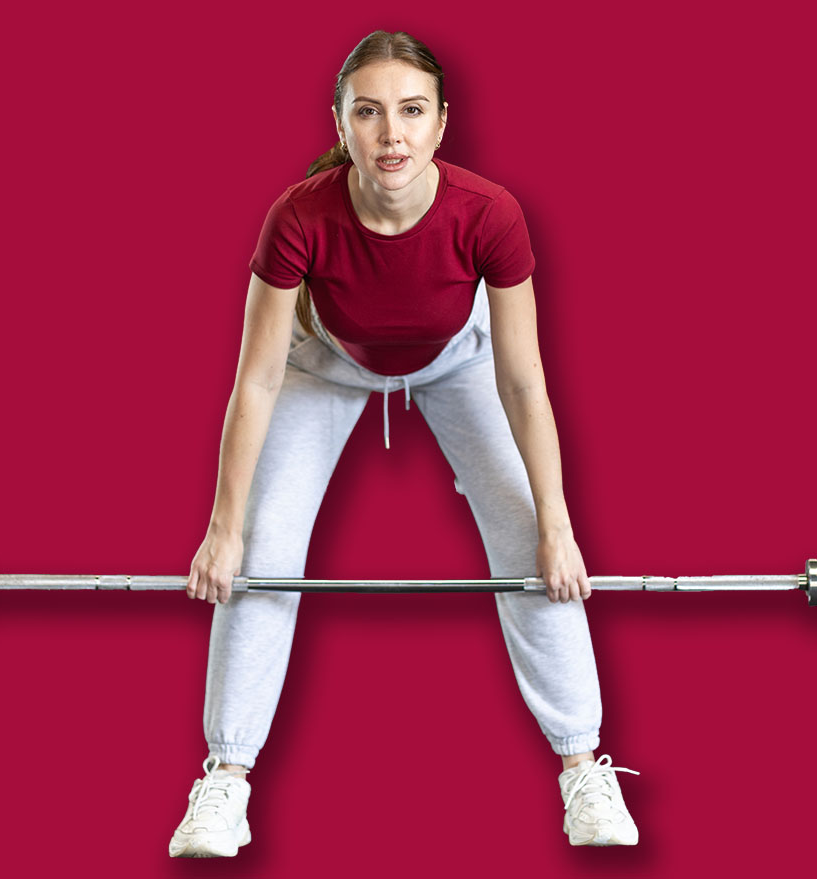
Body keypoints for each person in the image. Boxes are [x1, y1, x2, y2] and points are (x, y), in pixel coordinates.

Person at [168, 30, 639, 858]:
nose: (392, 135)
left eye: (411, 112)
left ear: (442, 123)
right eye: (370, 112)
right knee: (262, 551)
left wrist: (557, 525)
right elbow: (258, 382)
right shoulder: (298, 215)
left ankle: (582, 764)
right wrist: (224, 526)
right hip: (326, 364)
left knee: (531, 536)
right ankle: (227, 778)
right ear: (341, 123)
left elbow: (525, 381)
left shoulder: (490, 212)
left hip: (461, 358)